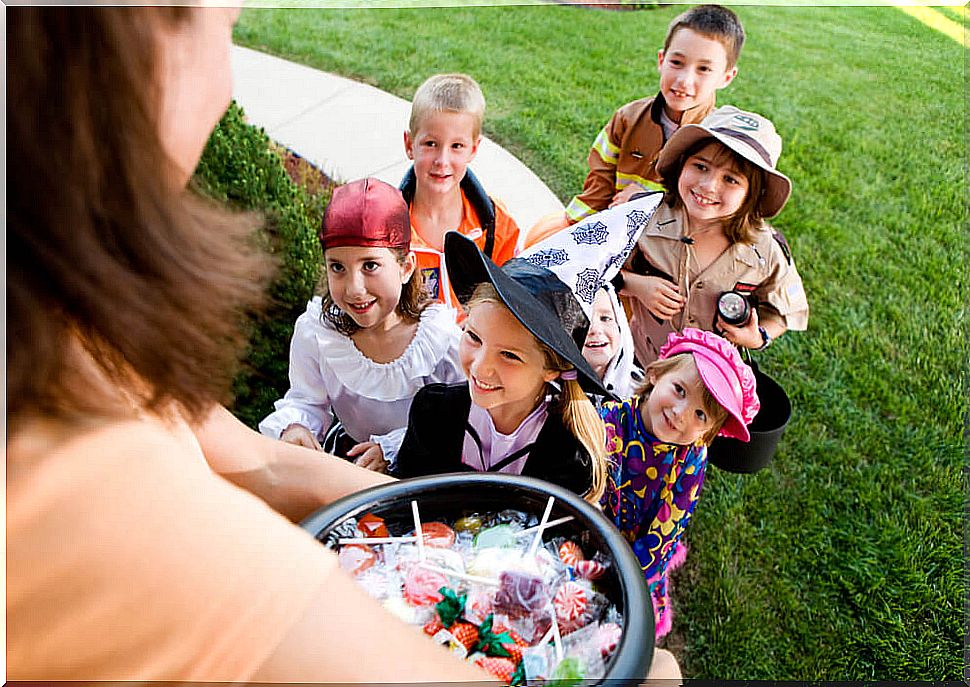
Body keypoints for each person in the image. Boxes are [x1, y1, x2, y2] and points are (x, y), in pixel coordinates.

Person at [7, 7, 495, 683]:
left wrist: (449, 524)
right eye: (226, 24)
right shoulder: (73, 477)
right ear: (139, 51)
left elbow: (258, 465)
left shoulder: (61, 320)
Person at [259, 178, 464, 473]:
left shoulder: (442, 344)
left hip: (423, 474)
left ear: (405, 267)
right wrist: (295, 427)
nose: (354, 288)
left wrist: (395, 446)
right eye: (338, 267)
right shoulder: (317, 334)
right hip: (351, 463)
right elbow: (306, 401)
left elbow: (460, 423)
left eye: (370, 265)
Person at [393, 232, 610, 503]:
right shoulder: (433, 413)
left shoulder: (568, 451)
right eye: (473, 337)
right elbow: (405, 509)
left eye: (509, 355)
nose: (481, 367)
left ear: (553, 367)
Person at [524, 4, 744, 248]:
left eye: (704, 69)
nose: (684, 80)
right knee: (545, 244)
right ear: (662, 60)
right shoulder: (628, 119)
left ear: (726, 77)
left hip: (667, 249)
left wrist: (644, 200)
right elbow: (601, 178)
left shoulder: (717, 140)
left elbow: (706, 208)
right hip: (612, 229)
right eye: (677, 62)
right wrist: (577, 229)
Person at [617, 105, 809, 366]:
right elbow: (592, 269)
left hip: (707, 378)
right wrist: (635, 285)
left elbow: (784, 312)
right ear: (681, 163)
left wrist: (758, 336)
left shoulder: (766, 251)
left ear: (753, 194)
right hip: (638, 357)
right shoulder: (642, 217)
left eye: (731, 179)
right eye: (701, 166)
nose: (708, 186)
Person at [600, 328, 760, 639]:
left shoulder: (692, 459)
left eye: (701, 414)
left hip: (643, 547)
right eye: (680, 390)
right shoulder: (609, 420)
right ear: (657, 373)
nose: (680, 414)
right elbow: (587, 489)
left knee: (622, 618)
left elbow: (669, 524)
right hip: (594, 530)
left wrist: (631, 578)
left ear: (709, 432)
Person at [399, 73, 521, 311]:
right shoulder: (385, 230)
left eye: (457, 146)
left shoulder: (497, 228)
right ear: (409, 144)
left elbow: (512, 303)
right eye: (430, 144)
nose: (442, 161)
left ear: (473, 149)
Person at [583, 285, 643, 402]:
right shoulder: (544, 396)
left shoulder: (641, 393)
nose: (595, 330)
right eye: (583, 319)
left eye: (605, 318)